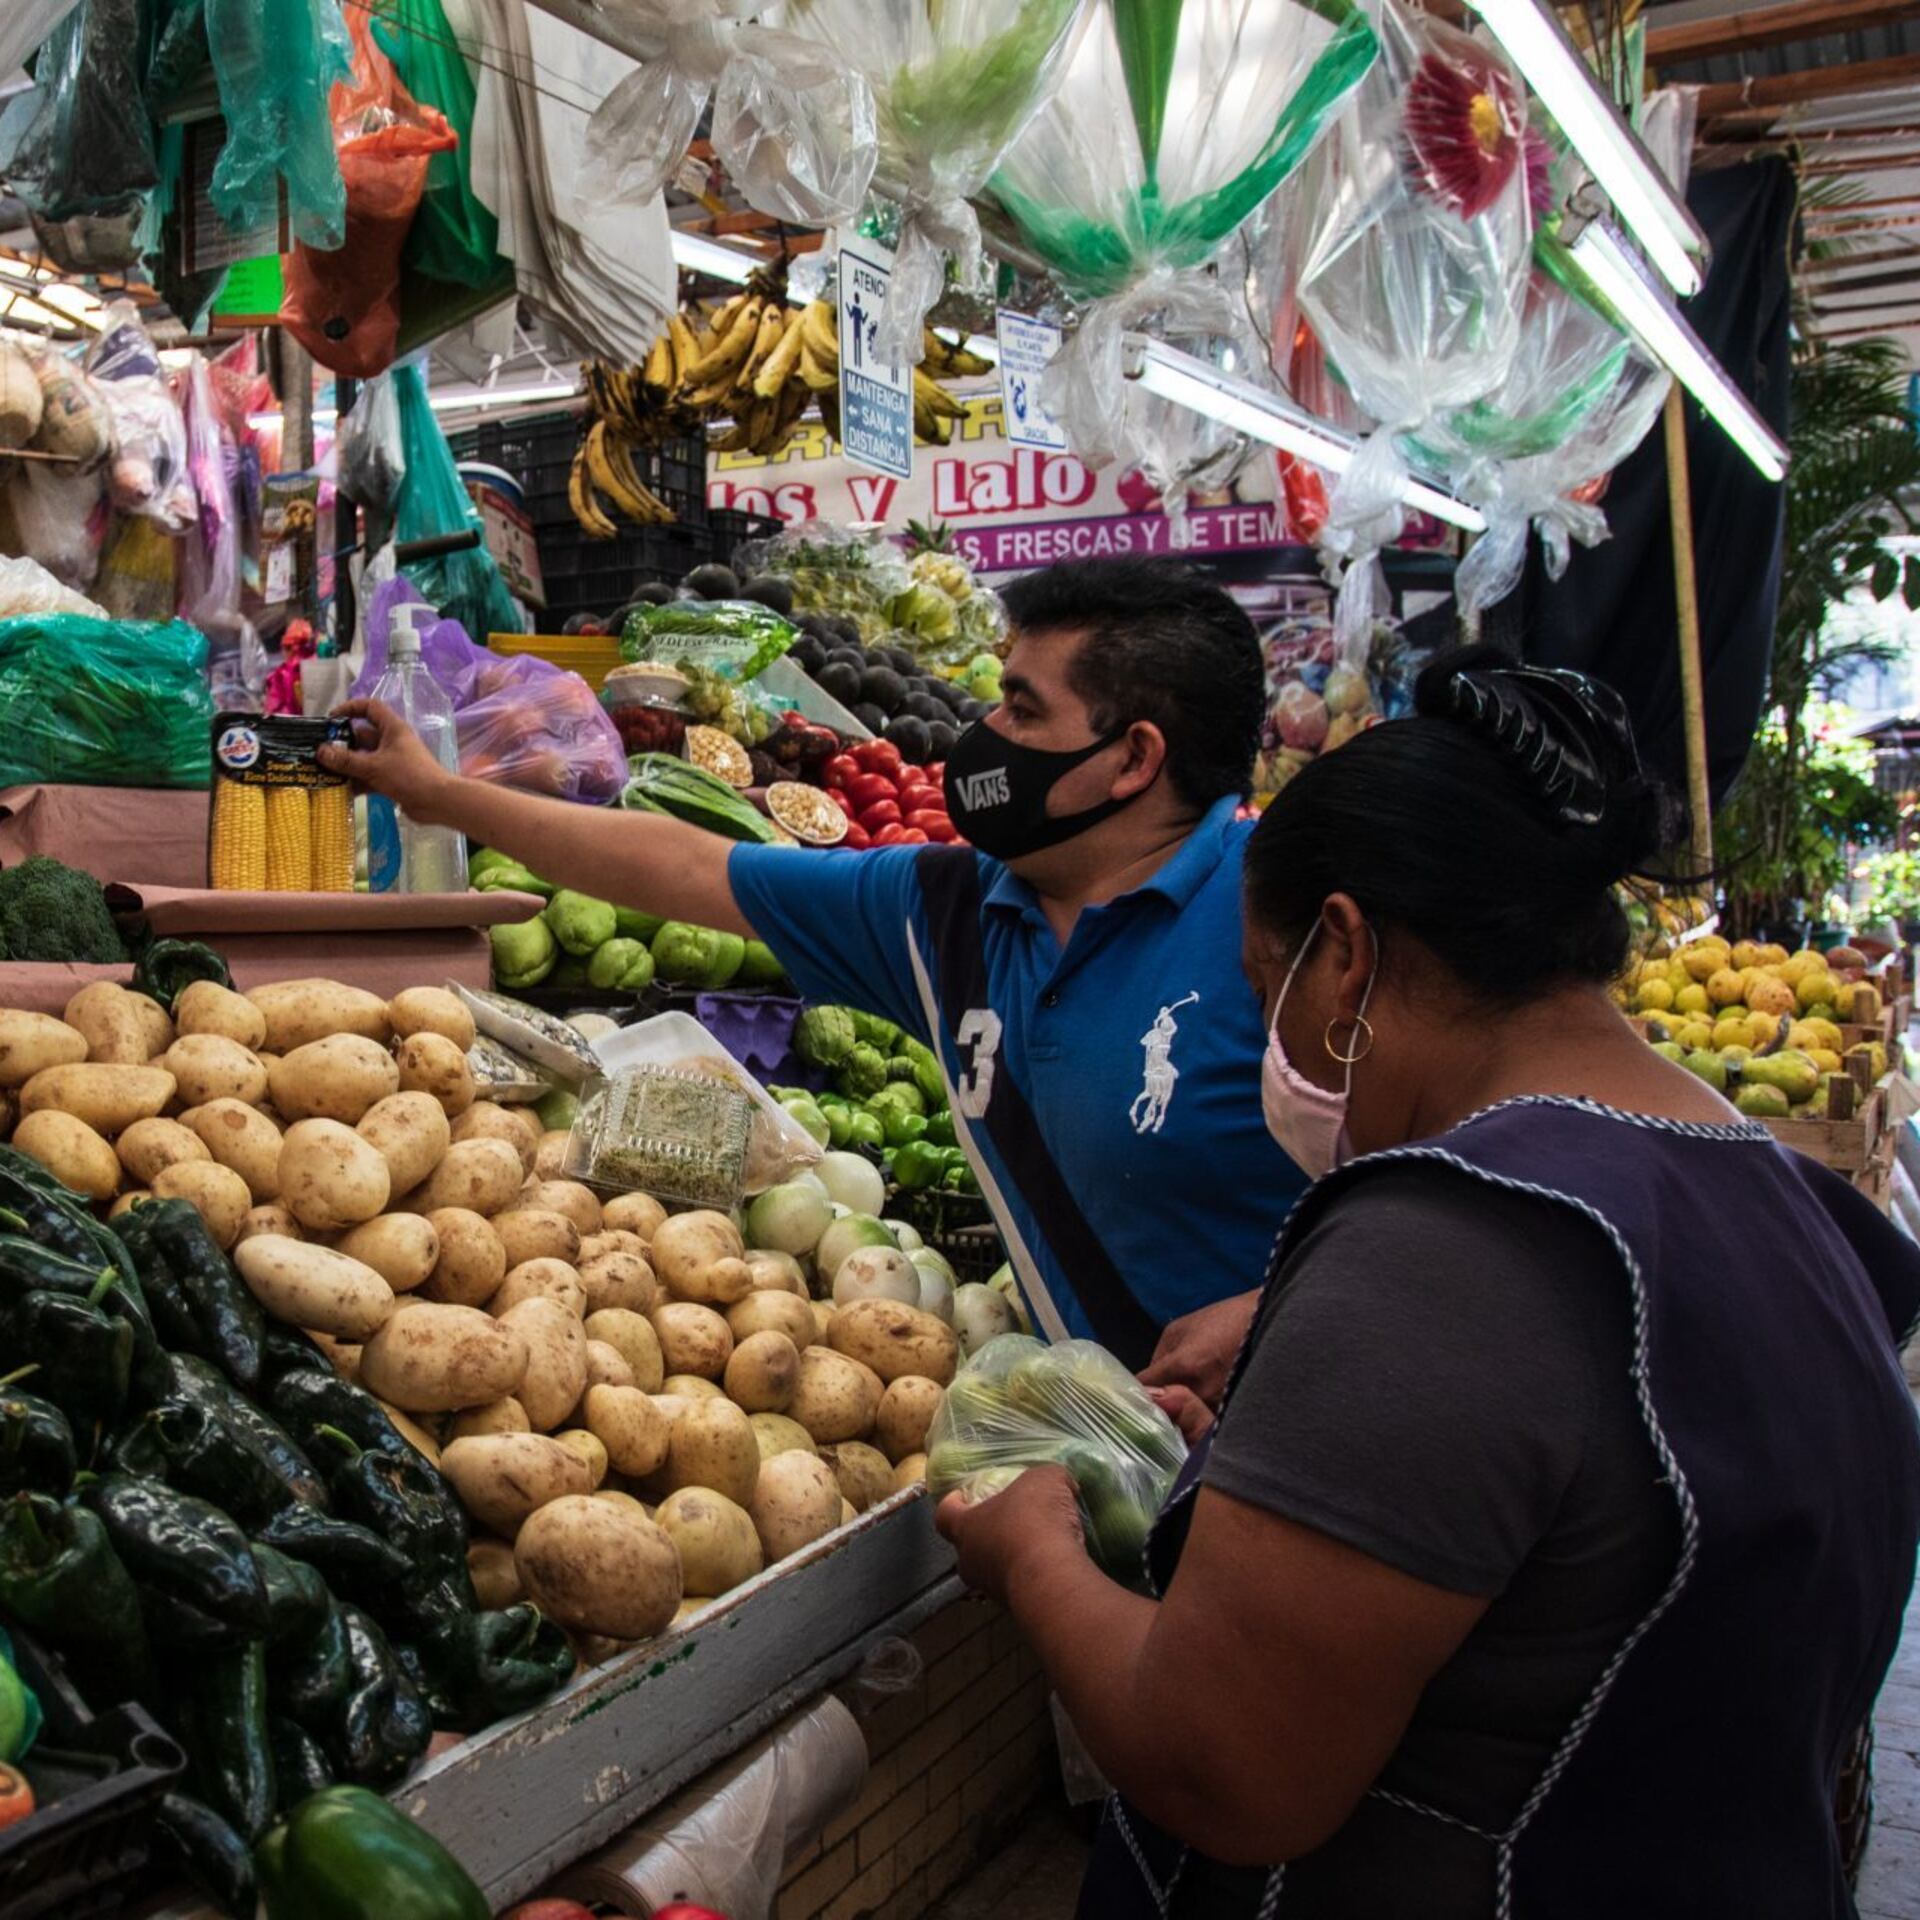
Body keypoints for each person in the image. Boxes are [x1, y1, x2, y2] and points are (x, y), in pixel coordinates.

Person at [936, 650, 1920, 1919]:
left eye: (1262, 992)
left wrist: (1033, 1552)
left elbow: (1225, 1767)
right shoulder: (1790, 1199)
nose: (1274, 1047)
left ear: (1342, 954)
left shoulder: (1447, 1250)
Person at [321, 556, 1307, 1361]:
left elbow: (1447, 1203)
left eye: (1019, 707)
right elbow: (693, 868)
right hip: (1129, 1453)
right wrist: (439, 795)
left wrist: (1269, 1315)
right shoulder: (948, 909)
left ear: (1133, 760)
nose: (985, 734)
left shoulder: (1294, 922)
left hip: (1313, 1459)